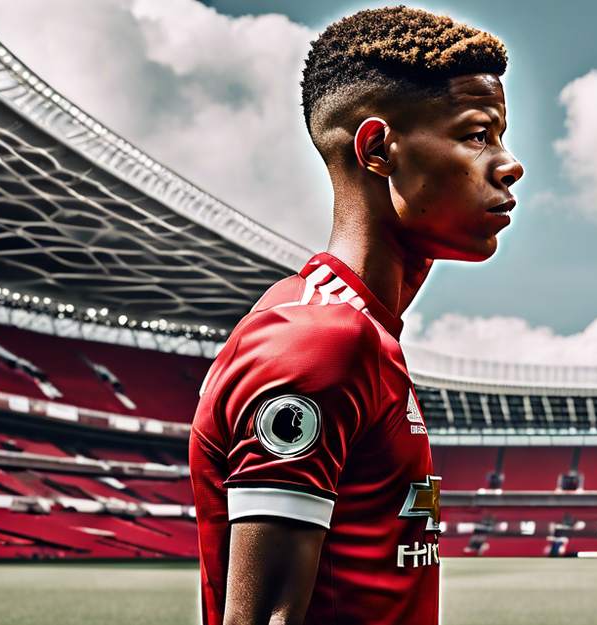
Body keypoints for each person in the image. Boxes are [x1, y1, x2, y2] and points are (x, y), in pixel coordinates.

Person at [189, 7, 521, 624]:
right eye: (478, 134)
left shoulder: (362, 333)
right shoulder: (319, 340)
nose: (508, 163)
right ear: (377, 150)